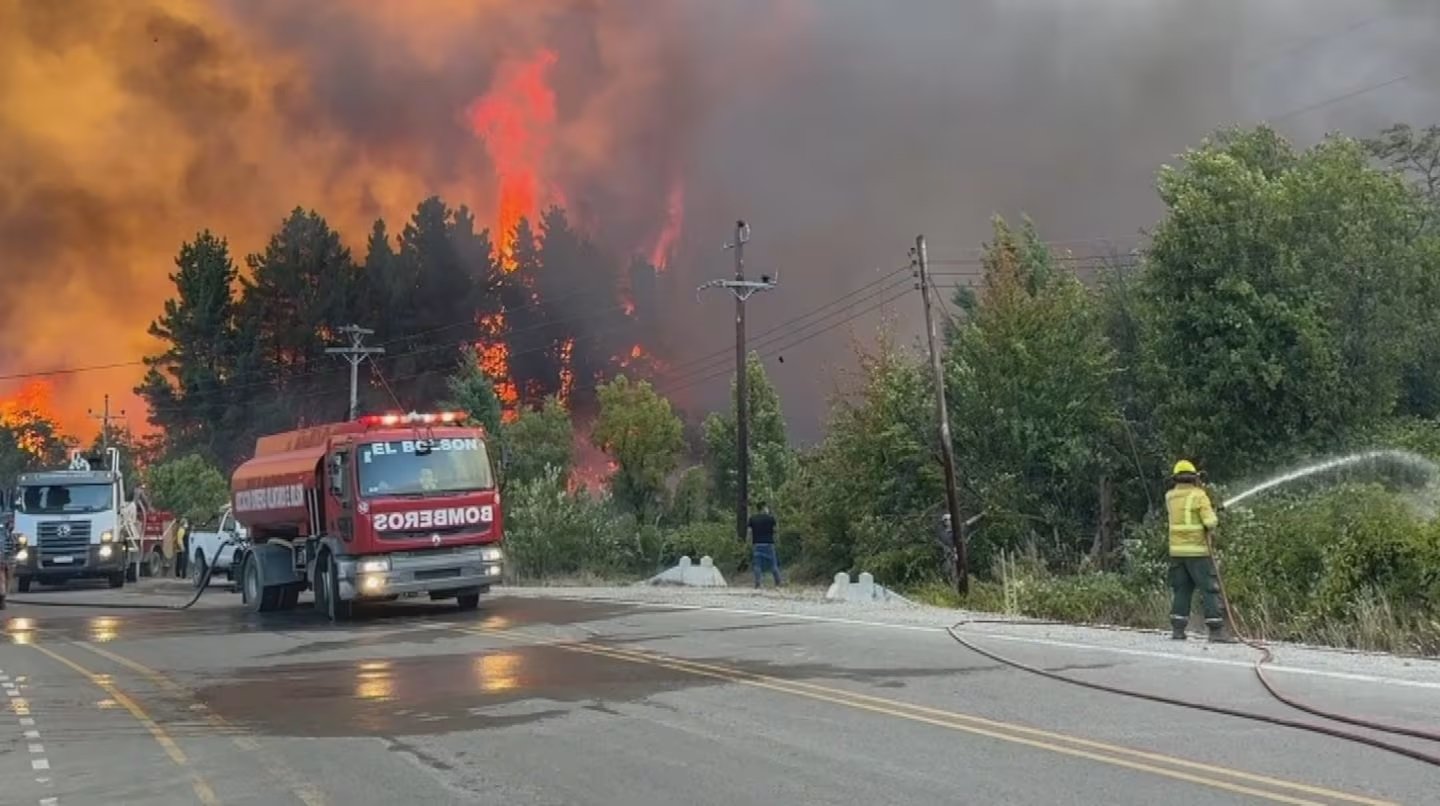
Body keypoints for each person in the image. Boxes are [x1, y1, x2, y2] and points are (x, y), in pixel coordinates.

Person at [1165, 460, 1229, 642]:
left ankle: (1178, 630)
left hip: (1177, 553)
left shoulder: (1169, 496)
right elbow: (1209, 522)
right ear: (1194, 477)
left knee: (1182, 590)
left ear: (1175, 478)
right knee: (1209, 589)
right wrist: (1213, 513)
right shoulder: (1199, 495)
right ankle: (1216, 631)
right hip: (1198, 552)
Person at [746, 502, 781, 588]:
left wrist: (748, 542)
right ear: (764, 508)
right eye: (766, 507)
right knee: (773, 564)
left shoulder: (752, 519)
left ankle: (758, 583)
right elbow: (776, 530)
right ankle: (778, 582)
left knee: (757, 565)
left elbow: (749, 533)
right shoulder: (770, 518)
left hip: (757, 544)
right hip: (769, 543)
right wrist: (777, 540)